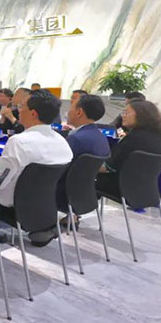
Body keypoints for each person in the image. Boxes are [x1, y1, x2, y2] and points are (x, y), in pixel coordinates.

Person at [0, 90, 73, 246]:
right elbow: (31, 171)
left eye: (21, 106)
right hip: (46, 205)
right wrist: (0, 161)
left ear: (33, 113)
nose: (18, 110)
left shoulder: (19, 141)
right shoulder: (63, 142)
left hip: (12, 206)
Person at [96, 99, 161, 197]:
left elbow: (108, 167)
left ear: (141, 115)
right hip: (147, 190)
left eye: (126, 112)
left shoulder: (133, 139)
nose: (123, 115)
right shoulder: (159, 138)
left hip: (120, 187)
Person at [59, 93, 111, 226]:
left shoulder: (76, 139)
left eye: (71, 107)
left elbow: (60, 169)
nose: (67, 112)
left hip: (63, 194)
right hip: (86, 194)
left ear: (79, 112)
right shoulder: (101, 137)